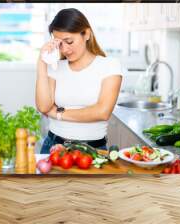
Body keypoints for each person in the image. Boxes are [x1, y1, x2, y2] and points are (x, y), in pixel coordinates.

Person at [35, 8, 122, 154]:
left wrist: (58, 113)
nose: (65, 49)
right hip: (54, 145)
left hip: (93, 150)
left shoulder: (110, 65)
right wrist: (41, 62)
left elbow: (102, 112)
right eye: (59, 43)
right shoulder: (55, 67)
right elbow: (44, 107)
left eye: (69, 41)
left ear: (86, 34)